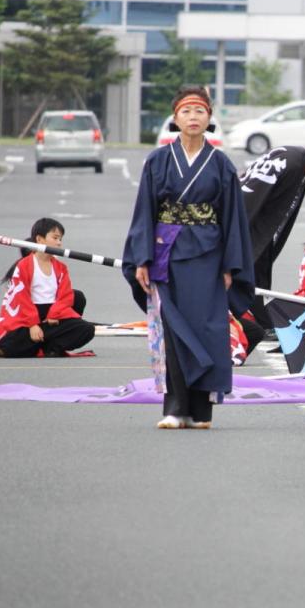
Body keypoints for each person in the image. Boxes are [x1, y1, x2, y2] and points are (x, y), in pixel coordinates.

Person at [123, 85, 254, 430]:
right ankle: (174, 408)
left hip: (209, 257)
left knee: (207, 329)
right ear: (175, 118)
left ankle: (200, 411)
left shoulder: (221, 163)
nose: (193, 117)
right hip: (166, 254)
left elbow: (233, 219)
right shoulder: (158, 160)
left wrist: (231, 265)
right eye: (186, 111)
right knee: (173, 331)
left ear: (209, 118)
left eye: (199, 111)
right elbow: (144, 211)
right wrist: (142, 258)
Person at [236, 146, 305, 345]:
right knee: (247, 271)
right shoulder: (294, 166)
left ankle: (263, 322)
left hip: (252, 221)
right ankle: (252, 322)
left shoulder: (291, 154)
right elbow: (256, 197)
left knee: (257, 271)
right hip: (249, 222)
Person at [0, 218, 95, 358]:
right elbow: (21, 298)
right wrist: (32, 325)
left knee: (86, 329)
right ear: (39, 239)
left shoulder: (61, 267)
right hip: (27, 318)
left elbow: (65, 295)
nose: (59, 243)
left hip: (51, 317)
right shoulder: (24, 266)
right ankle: (40, 343)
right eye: (55, 238)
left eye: (60, 239)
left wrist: (54, 314)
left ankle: (51, 347)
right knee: (10, 345)